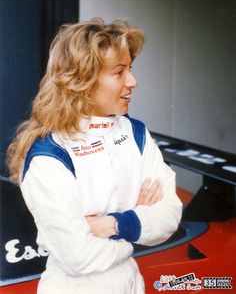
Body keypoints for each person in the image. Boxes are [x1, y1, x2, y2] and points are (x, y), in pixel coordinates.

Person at [7, 18, 182, 294]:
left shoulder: (135, 133)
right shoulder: (48, 153)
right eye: (119, 72)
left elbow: (169, 216)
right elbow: (77, 256)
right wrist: (137, 220)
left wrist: (112, 223)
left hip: (132, 283)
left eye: (131, 69)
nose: (133, 81)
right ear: (82, 80)